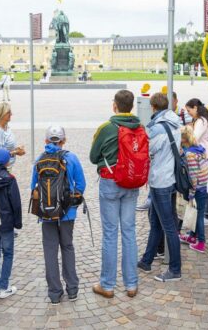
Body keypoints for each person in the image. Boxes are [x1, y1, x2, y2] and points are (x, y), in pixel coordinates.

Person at [90, 89, 141, 298]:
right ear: (131, 107)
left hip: (111, 182)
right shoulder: (140, 127)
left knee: (110, 233)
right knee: (129, 232)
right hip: (132, 181)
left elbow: (94, 157)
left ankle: (108, 285)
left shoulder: (107, 128)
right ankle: (131, 284)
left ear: (115, 106)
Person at [31, 126, 86, 305]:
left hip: (46, 213)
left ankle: (54, 292)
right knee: (67, 246)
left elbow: (34, 188)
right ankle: (72, 289)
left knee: (50, 250)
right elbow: (81, 184)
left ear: (46, 141)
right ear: (63, 140)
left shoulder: (39, 160)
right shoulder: (71, 158)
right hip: (67, 213)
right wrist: (72, 203)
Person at [137, 92, 182, 282]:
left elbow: (147, 150)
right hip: (169, 179)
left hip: (161, 181)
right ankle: (146, 260)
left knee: (169, 227)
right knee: (155, 222)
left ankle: (175, 269)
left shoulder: (157, 128)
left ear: (153, 108)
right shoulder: (175, 122)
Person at [0, 148, 22, 300]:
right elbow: (16, 203)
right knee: (7, 253)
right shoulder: (10, 179)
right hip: (7, 222)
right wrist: (18, 222)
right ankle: (4, 287)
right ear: (8, 162)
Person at [184, 99, 208, 226]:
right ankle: (205, 214)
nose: (188, 113)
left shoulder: (201, 121)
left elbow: (195, 137)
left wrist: (186, 133)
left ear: (195, 108)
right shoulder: (201, 120)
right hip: (205, 154)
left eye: (189, 110)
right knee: (204, 186)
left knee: (206, 186)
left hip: (205, 155)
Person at [179, 125, 208, 253]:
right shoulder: (200, 150)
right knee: (197, 213)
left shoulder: (190, 154)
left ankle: (201, 242)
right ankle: (192, 236)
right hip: (205, 185)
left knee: (199, 215)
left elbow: (193, 174)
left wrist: (192, 192)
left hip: (198, 189)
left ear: (183, 140)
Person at [0, 102, 25, 167]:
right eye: (8, 112)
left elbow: (4, 147)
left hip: (6, 167)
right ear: (1, 114)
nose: (11, 114)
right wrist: (16, 152)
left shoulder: (6, 127)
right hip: (0, 170)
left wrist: (16, 149)